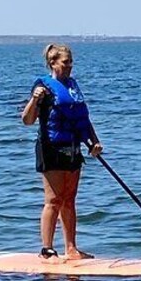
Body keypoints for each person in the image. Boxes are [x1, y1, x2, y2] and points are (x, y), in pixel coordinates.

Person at [22, 43, 103, 260]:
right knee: (54, 199)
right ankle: (47, 250)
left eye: (71, 62)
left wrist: (94, 142)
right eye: (65, 62)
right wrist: (34, 100)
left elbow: (83, 119)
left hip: (73, 148)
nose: (69, 66)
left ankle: (71, 248)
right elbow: (27, 120)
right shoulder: (43, 87)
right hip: (51, 149)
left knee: (69, 199)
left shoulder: (73, 86)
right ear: (53, 63)